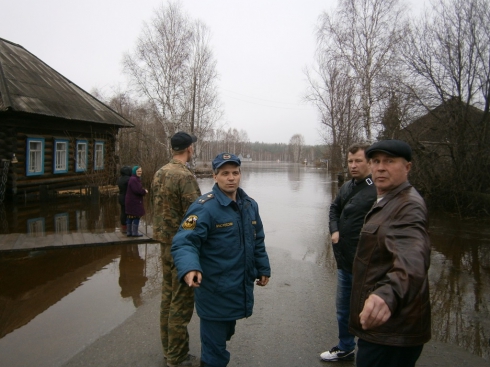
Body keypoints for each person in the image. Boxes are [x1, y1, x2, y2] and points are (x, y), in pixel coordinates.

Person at [171, 153, 271, 367]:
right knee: (215, 353)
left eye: (235, 173)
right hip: (214, 292)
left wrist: (263, 267)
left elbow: (258, 240)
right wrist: (190, 268)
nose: (231, 178)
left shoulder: (249, 205)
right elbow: (184, 242)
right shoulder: (204, 207)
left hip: (237, 289)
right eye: (225, 173)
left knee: (226, 334)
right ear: (215, 177)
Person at [349, 140, 431, 367]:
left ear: (408, 167)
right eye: (375, 161)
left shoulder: (408, 206)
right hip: (385, 329)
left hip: (392, 332)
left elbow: (413, 259)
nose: (380, 167)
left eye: (389, 161)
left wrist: (388, 294)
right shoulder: (389, 200)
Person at [321, 143, 377, 362]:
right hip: (345, 261)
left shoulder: (376, 190)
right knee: (343, 309)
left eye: (358, 161)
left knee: (366, 311)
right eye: (350, 161)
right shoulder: (347, 186)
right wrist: (334, 230)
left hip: (367, 265)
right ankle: (345, 347)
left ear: (370, 163)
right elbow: (334, 208)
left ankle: (367, 353)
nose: (353, 166)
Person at [152, 131, 202, 367]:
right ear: (189, 149)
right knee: (181, 301)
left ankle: (168, 349)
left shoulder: (159, 173)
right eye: (192, 146)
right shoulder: (185, 176)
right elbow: (195, 215)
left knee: (168, 297)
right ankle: (177, 356)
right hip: (181, 247)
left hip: (163, 243)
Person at [125, 165, 148, 237]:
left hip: (130, 201)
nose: (140, 172)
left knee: (130, 216)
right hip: (134, 201)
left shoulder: (133, 179)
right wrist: (145, 191)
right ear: (134, 171)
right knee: (136, 216)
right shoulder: (134, 179)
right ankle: (134, 233)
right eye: (138, 171)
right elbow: (137, 190)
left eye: (140, 171)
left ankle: (129, 232)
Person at [117, 166, 132, 234]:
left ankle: (123, 226)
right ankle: (128, 227)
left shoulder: (120, 178)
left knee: (123, 212)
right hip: (126, 197)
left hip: (121, 196)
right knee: (128, 212)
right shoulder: (129, 179)